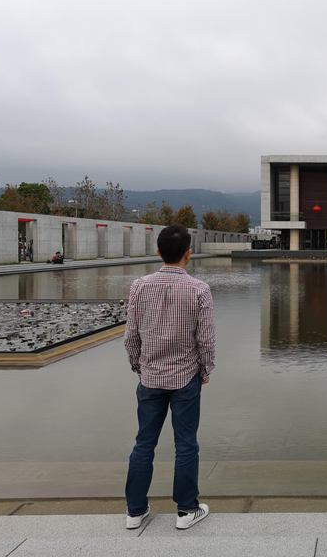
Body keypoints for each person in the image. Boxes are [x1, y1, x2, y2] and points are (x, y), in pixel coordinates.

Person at [124, 225, 216, 531]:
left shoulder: (139, 286)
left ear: (159, 252)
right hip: (185, 378)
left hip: (150, 377)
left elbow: (130, 337)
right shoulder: (199, 289)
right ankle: (186, 510)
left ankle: (135, 511)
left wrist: (140, 366)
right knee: (186, 443)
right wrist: (206, 370)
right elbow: (206, 340)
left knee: (143, 443)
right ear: (188, 254)